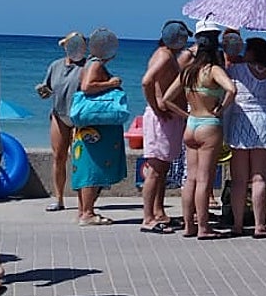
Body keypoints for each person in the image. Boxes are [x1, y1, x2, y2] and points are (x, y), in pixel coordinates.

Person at [163, 37, 236, 239]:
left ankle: (189, 225)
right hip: (208, 124)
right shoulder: (213, 70)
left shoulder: (188, 71)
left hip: (192, 123)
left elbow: (167, 99)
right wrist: (221, 108)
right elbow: (232, 89)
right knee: (204, 179)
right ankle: (203, 227)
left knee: (191, 179)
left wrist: (185, 115)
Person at [225, 37, 266, 238]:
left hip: (241, 121)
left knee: (239, 180)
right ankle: (260, 225)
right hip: (265, 122)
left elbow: (228, 92)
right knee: (260, 177)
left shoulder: (236, 70)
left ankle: (237, 224)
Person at [139, 20, 192, 233]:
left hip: (168, 119)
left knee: (163, 168)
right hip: (161, 119)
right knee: (155, 170)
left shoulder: (166, 54)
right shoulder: (164, 55)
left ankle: (159, 211)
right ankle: (148, 217)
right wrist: (156, 106)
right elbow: (146, 81)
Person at [71, 28, 127, 226]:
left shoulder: (89, 63)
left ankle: (84, 211)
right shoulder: (95, 65)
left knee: (87, 166)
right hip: (97, 129)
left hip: (93, 127)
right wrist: (112, 83)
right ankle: (87, 213)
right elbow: (87, 87)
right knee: (92, 168)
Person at [36, 31, 86, 212]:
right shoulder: (55, 66)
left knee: (80, 159)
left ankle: (84, 199)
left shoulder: (88, 66)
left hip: (80, 117)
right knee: (59, 156)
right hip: (59, 114)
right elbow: (48, 89)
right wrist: (43, 91)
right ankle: (59, 199)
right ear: (65, 46)